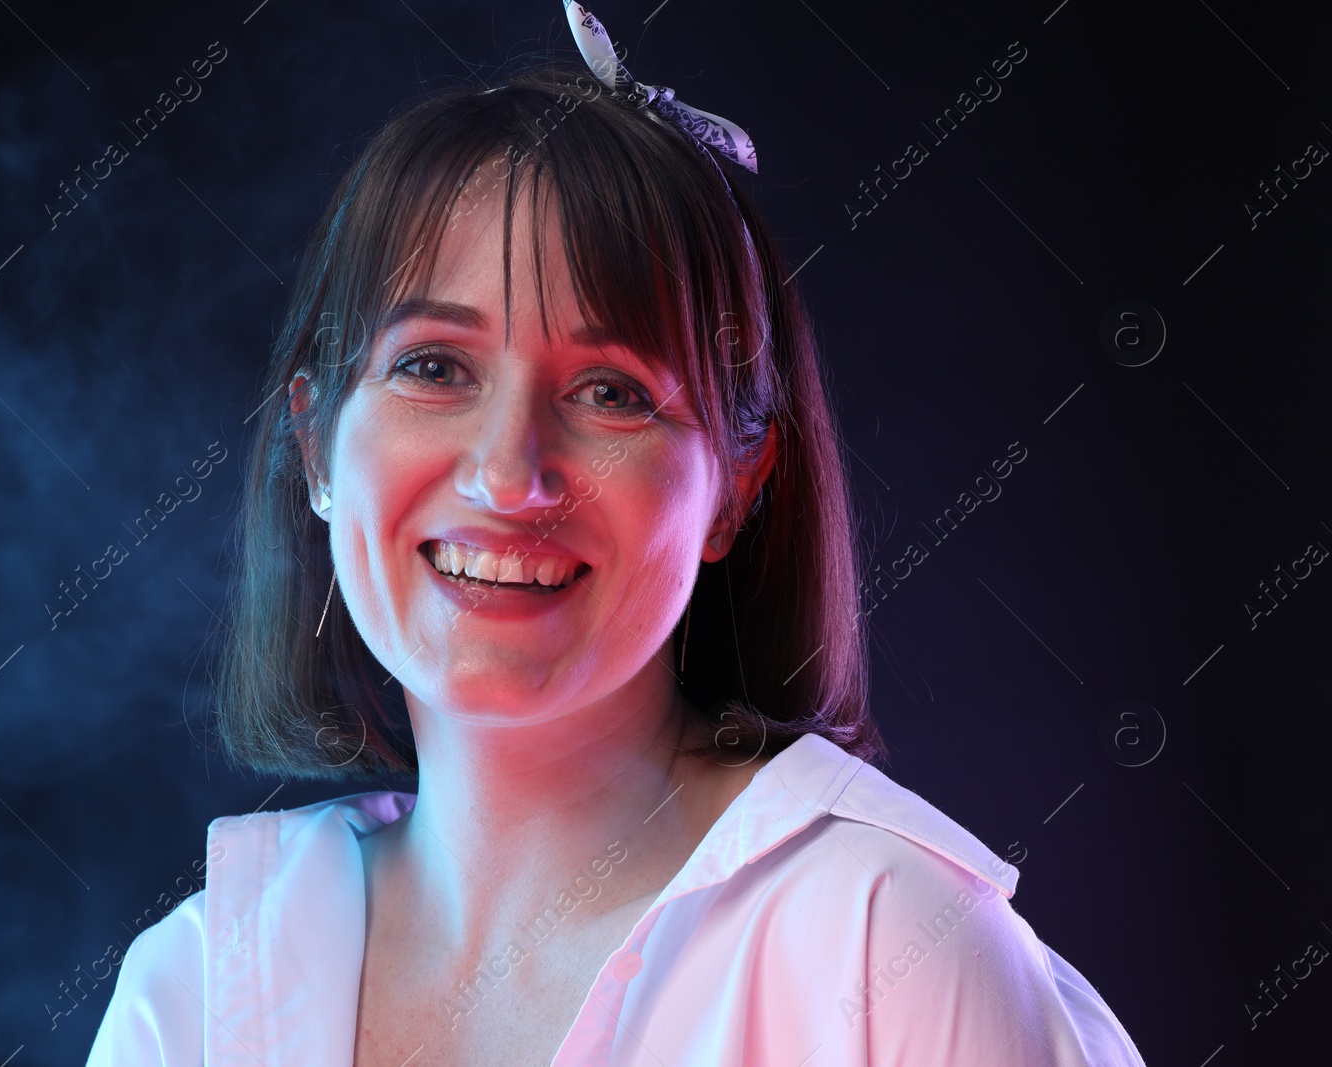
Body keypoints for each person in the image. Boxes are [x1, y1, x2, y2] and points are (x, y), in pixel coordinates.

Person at [85, 5, 1148, 1064]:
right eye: (433, 366)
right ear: (314, 445)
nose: (510, 472)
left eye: (610, 391)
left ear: (737, 485)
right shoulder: (195, 993)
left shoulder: (892, 948)